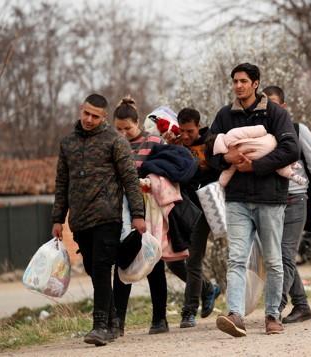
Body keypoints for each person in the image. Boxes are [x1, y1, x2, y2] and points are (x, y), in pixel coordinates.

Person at [207, 63, 299, 336]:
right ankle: (235, 315)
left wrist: (255, 166)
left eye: (244, 81)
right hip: (236, 199)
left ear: (255, 83)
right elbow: (209, 149)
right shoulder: (224, 115)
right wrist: (226, 158)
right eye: (235, 81)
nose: (238, 86)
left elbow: (290, 149)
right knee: (236, 259)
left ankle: (273, 315)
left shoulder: (275, 113)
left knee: (273, 260)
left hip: (270, 198)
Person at [51, 93, 146, 346]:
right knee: (94, 270)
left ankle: (100, 325)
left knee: (103, 268)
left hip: (108, 217)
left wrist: (138, 214)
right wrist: (58, 218)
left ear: (104, 117)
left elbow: (130, 180)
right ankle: (114, 322)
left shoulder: (115, 141)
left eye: (95, 116)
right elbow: (62, 182)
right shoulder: (67, 143)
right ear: (81, 110)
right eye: (86, 113)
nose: (89, 119)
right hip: (80, 220)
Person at [112, 96, 193, 335]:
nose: (124, 133)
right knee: (123, 262)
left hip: (152, 211)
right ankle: (118, 322)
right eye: (118, 129)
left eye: (128, 128)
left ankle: (159, 319)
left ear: (138, 122)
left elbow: (169, 168)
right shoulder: (114, 144)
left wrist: (150, 181)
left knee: (154, 261)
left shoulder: (154, 141)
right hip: (123, 211)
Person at [263, 86, 311, 323]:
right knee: (277, 255)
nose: (269, 108)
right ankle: (301, 305)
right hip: (269, 201)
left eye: (274, 104)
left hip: (295, 199)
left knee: (285, 254)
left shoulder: (299, 131)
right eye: (265, 104)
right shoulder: (261, 134)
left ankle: (275, 307)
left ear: (283, 107)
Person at [165, 107, 221, 328]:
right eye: (182, 131)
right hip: (185, 210)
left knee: (194, 258)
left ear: (199, 126)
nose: (186, 136)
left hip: (210, 206)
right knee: (177, 261)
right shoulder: (177, 145)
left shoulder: (211, 143)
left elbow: (220, 170)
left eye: (190, 131)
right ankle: (207, 290)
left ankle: (189, 311)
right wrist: (171, 147)